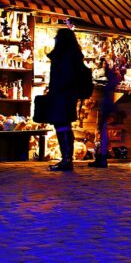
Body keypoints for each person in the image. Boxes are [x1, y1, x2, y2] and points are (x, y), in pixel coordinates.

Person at [46, 28, 84, 171]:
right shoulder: (73, 55)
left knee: (62, 125)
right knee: (63, 125)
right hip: (66, 95)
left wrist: (56, 90)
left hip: (62, 95)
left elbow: (66, 76)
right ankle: (67, 158)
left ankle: (67, 160)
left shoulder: (65, 56)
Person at [88, 58, 120, 168]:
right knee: (103, 132)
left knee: (103, 132)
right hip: (107, 105)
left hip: (106, 106)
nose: (104, 65)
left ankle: (102, 158)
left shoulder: (110, 77)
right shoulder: (111, 77)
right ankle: (101, 157)